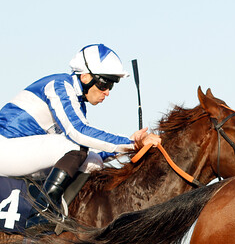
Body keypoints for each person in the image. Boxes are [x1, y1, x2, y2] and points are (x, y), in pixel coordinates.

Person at [0, 43, 160, 228]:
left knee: (93, 162)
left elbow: (83, 150)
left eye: (111, 85)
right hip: (5, 147)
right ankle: (42, 213)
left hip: (21, 154)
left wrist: (129, 149)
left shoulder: (78, 101)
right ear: (85, 76)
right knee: (75, 147)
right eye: (104, 83)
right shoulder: (60, 85)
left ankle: (69, 217)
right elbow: (79, 133)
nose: (107, 92)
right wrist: (130, 143)